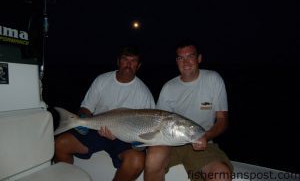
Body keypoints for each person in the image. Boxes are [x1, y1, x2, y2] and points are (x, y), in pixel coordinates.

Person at [54, 45, 155, 181]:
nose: (128, 64)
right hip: (97, 129)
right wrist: (82, 120)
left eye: (133, 61)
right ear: (118, 61)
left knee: (137, 161)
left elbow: (149, 126)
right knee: (60, 144)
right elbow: (86, 108)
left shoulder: (144, 93)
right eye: (125, 59)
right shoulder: (102, 80)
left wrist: (140, 143)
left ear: (138, 65)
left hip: (124, 138)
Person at [144, 39, 233, 181]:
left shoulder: (213, 80)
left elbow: (222, 120)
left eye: (190, 56)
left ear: (199, 58)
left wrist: (206, 136)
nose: (185, 62)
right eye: (181, 58)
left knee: (221, 174)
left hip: (204, 142)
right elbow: (158, 124)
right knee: (153, 158)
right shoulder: (169, 87)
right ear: (177, 61)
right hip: (170, 143)